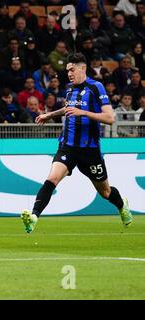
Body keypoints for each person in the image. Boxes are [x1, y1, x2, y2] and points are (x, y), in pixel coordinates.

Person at [21, 53, 133, 233]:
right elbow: (68, 109)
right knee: (52, 179)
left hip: (90, 151)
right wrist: (49, 115)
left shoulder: (96, 87)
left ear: (83, 68)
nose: (69, 74)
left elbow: (110, 118)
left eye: (72, 70)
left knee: (105, 192)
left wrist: (84, 113)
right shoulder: (69, 89)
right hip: (68, 146)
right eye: (67, 71)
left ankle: (121, 205)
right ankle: (34, 217)